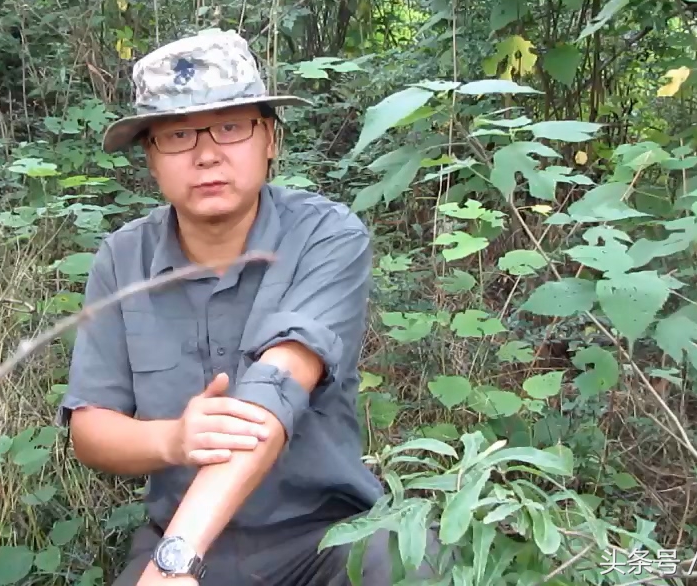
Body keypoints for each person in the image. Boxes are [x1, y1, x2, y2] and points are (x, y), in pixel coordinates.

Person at [57, 29, 436, 586]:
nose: (207, 154)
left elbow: (277, 387)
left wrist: (176, 560)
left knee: (407, 562)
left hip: (324, 536)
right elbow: (91, 428)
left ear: (270, 140)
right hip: (178, 532)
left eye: (231, 127)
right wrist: (173, 440)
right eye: (178, 135)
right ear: (151, 158)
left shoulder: (326, 235)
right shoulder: (123, 259)